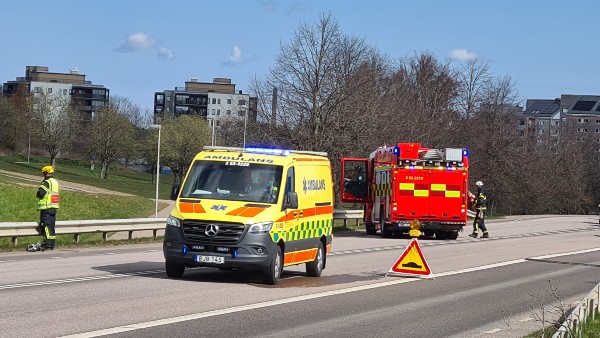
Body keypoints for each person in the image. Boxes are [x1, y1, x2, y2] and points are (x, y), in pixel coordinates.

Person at [36, 165, 59, 250]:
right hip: (53, 207)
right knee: (51, 226)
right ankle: (52, 244)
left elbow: (41, 193)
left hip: (46, 207)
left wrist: (38, 193)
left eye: (43, 173)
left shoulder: (46, 182)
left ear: (46, 173)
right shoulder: (54, 182)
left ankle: (47, 244)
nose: (43, 175)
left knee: (46, 226)